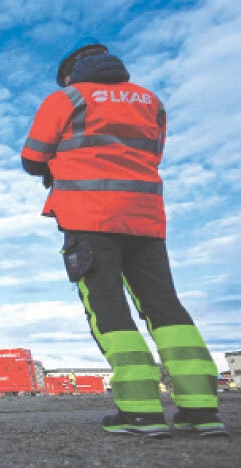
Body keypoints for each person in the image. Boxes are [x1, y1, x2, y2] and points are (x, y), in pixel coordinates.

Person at [21, 37, 227, 437]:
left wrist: (61, 164)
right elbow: (151, 155)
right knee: (165, 306)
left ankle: (141, 413)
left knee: (108, 308)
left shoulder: (66, 99)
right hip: (146, 218)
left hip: (88, 219)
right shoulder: (150, 102)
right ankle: (201, 411)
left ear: (69, 74)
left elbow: (31, 158)